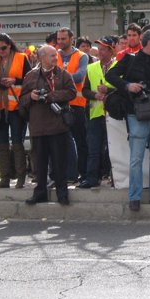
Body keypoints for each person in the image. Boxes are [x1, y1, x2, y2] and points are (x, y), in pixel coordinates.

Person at [106, 29, 150, 212]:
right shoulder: (129, 59)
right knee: (136, 158)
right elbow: (110, 76)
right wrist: (128, 86)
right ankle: (134, 197)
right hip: (135, 115)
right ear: (149, 42)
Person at [21, 45, 77, 205]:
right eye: (52, 55)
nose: (55, 58)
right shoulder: (30, 76)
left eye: (55, 55)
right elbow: (22, 99)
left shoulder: (63, 74)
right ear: (42, 58)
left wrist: (51, 96)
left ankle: (62, 193)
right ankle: (40, 193)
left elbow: (72, 92)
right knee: (40, 163)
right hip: (38, 126)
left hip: (58, 125)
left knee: (59, 162)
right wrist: (31, 96)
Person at [0, 33, 32, 188]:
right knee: (1, 144)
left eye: (3, 48)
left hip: (16, 107)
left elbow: (30, 80)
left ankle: (21, 177)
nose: (1, 52)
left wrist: (15, 81)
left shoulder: (21, 58)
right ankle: (5, 178)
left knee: (17, 142)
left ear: (10, 45)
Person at [79, 36, 117, 188]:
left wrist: (108, 91)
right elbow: (85, 90)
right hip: (95, 114)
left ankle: (115, 178)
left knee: (114, 148)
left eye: (103, 49)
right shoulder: (91, 67)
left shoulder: (119, 66)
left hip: (114, 114)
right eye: (99, 49)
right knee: (93, 148)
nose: (100, 52)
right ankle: (92, 178)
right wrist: (95, 95)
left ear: (111, 50)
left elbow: (124, 89)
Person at [57, 27, 89, 183]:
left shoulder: (82, 56)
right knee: (61, 142)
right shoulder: (53, 55)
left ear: (71, 39)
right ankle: (66, 174)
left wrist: (59, 77)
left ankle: (83, 173)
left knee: (80, 140)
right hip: (57, 104)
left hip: (77, 104)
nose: (60, 41)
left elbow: (80, 76)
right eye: (59, 39)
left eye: (63, 38)